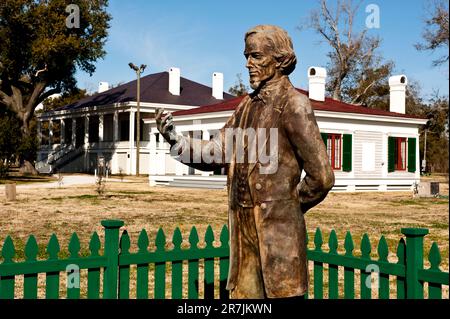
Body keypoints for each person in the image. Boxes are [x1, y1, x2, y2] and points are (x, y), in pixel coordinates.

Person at [155, 24, 334, 299]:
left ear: (280, 59)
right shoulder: (246, 106)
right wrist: (175, 140)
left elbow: (321, 177)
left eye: (257, 56)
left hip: (278, 236)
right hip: (245, 234)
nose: (249, 64)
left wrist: (288, 207)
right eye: (247, 57)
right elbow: (216, 151)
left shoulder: (294, 105)